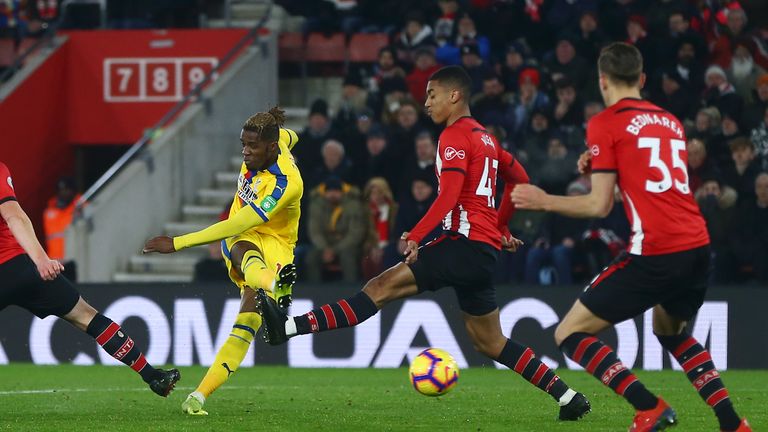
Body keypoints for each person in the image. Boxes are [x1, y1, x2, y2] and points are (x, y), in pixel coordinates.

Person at [256, 66, 591, 422]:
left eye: (432, 94)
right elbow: (520, 180)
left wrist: (416, 234)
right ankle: (568, 396)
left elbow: (448, 197)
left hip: (461, 244)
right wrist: (500, 226)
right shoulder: (488, 139)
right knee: (491, 342)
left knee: (379, 288)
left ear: (455, 95)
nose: (426, 102)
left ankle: (287, 328)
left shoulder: (454, 136)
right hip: (482, 251)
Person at [511, 42, 751, 432]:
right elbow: (650, 185)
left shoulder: (605, 123)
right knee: (669, 331)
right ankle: (732, 423)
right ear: (641, 79)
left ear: (602, 80)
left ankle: (649, 408)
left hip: (657, 249)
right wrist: (604, 166)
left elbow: (598, 206)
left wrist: (543, 200)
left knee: (569, 332)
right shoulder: (670, 121)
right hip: (697, 245)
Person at [142, 107, 301, 416]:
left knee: (248, 321)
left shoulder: (285, 184)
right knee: (244, 253)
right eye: (242, 144)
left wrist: (177, 243)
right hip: (250, 239)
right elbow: (293, 136)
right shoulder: (279, 140)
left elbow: (235, 224)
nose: (244, 152)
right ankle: (275, 287)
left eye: (251, 146)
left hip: (278, 245)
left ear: (270, 147)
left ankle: (199, 395)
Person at [0, 162, 179, 397]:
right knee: (87, 317)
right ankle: (152, 376)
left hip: (16, 266)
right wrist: (41, 260)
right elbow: (14, 216)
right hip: (20, 266)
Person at [43, 177, 81, 281]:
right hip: (54, 263)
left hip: (72, 262)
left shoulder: (80, 209)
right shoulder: (49, 212)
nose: (63, 193)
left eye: (66, 189)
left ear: (73, 191)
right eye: (60, 190)